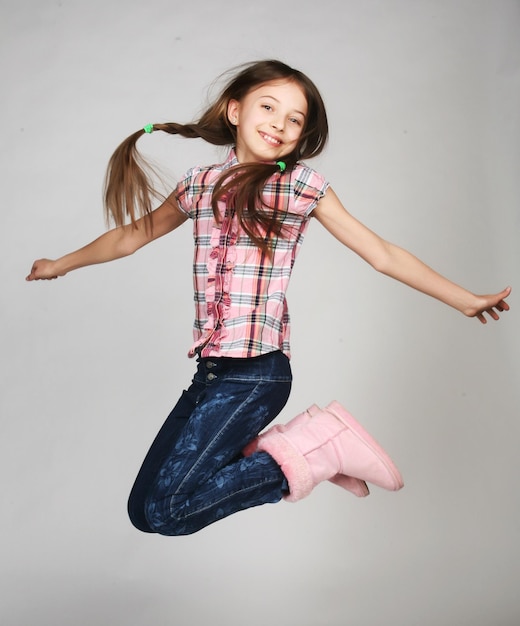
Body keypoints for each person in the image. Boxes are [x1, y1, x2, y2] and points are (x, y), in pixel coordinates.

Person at [26, 60, 510, 536]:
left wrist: (464, 299)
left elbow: (381, 253)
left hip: (257, 374)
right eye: (268, 107)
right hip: (211, 372)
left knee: (169, 511)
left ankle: (319, 448)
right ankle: (302, 451)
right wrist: (60, 264)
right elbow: (131, 236)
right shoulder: (199, 184)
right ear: (235, 111)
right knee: (145, 511)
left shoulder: (300, 186)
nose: (279, 124)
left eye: (294, 119)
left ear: (302, 136)